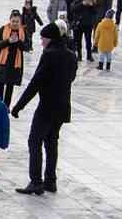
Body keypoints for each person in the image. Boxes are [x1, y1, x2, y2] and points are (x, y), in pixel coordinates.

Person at [11, 22, 77, 196]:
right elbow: (71, 78)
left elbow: (36, 83)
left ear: (50, 38)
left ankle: (36, 182)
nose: (41, 42)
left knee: (34, 141)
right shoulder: (71, 55)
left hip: (47, 107)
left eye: (43, 39)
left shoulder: (49, 55)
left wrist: (19, 106)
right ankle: (50, 181)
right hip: (63, 107)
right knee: (51, 142)